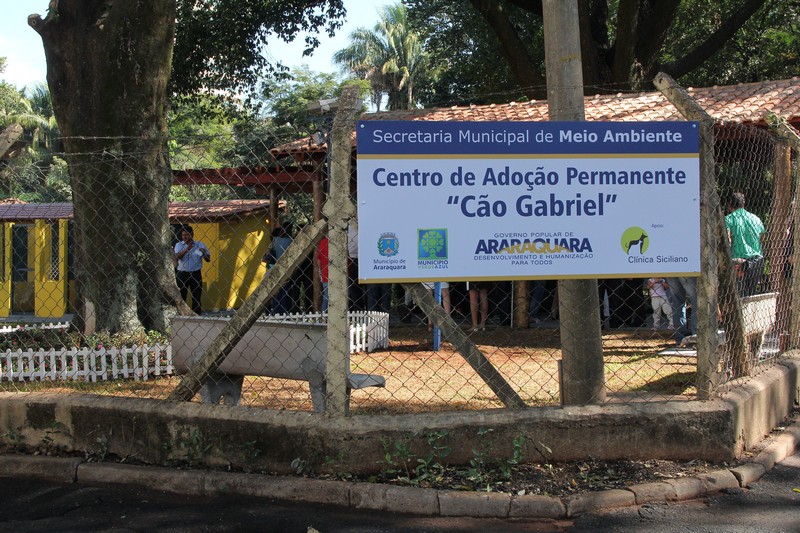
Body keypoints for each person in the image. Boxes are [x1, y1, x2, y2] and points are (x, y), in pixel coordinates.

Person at [725, 191, 765, 296]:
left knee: (739, 297)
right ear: (743, 204)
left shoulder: (729, 219)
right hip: (757, 261)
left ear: (729, 204)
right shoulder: (756, 219)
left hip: (739, 262)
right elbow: (761, 238)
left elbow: (728, 241)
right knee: (750, 295)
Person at [174, 225, 211, 315]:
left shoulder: (200, 245)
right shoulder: (178, 245)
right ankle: (181, 315)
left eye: (187, 235)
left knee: (196, 296)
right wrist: (187, 249)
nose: (184, 237)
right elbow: (177, 257)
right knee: (182, 296)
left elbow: (208, 259)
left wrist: (204, 253)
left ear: (192, 234)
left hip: (196, 274)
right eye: (183, 235)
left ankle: (197, 316)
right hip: (182, 274)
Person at [263, 224, 294, 315]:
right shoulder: (291, 241)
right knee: (285, 291)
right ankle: (285, 311)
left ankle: (276, 311)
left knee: (276, 292)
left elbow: (268, 254)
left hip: (273, 268)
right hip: (285, 269)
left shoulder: (275, 240)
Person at [666, 276, 698, 345]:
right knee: (696, 299)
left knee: (677, 301)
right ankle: (696, 336)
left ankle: (680, 337)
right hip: (688, 269)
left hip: (670, 269)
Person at [315, 236, 329, 312]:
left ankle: (324, 316)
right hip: (331, 274)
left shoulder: (323, 242)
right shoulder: (339, 241)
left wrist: (320, 271)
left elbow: (318, 259)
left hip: (325, 274)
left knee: (326, 297)